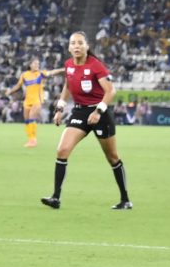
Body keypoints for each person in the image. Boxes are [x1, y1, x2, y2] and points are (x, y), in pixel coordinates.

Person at [41, 31, 132, 211]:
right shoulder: (68, 65)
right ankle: (55, 198)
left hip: (101, 113)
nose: (76, 46)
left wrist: (98, 111)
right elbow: (67, 87)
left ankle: (125, 200)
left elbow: (110, 92)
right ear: (69, 47)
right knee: (62, 150)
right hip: (80, 112)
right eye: (73, 43)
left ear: (87, 46)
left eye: (80, 43)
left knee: (112, 157)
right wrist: (59, 109)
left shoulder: (96, 65)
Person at [5, 59, 63, 147]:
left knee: (32, 118)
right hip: (27, 100)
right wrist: (10, 92)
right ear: (30, 64)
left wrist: (62, 69)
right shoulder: (24, 75)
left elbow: (52, 72)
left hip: (37, 100)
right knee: (27, 120)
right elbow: (18, 85)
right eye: (35, 63)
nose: (37, 65)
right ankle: (30, 139)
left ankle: (33, 140)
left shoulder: (41, 73)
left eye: (38, 64)